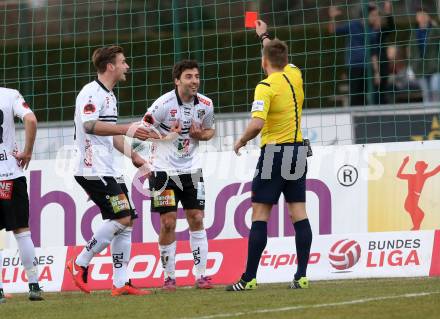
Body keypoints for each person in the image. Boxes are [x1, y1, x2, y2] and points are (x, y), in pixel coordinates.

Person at [226, 20, 312, 291]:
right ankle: (301, 276)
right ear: (285, 60)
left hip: (275, 152)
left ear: (264, 62)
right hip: (298, 151)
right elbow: (276, 54)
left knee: (260, 214)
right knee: (299, 213)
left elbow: (257, 124)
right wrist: (264, 35)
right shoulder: (295, 74)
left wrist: (240, 140)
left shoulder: (265, 86)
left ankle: (249, 278)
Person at [66, 45, 154, 296]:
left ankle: (120, 283)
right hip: (92, 168)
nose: (127, 66)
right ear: (110, 66)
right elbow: (91, 126)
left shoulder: (110, 96)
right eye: (123, 62)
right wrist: (128, 128)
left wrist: (135, 156)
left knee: (128, 221)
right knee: (122, 217)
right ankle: (79, 262)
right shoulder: (91, 93)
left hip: (107, 169)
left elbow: (111, 135)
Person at [143, 59, 215, 291]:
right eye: (189, 77)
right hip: (163, 171)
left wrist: (201, 134)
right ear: (177, 81)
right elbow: (141, 130)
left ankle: (201, 276)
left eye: (196, 76)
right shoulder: (162, 104)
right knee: (168, 223)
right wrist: (166, 137)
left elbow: (210, 130)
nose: (194, 81)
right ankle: (169, 277)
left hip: (191, 170)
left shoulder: (206, 104)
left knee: (197, 218)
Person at [0, 87, 43, 301]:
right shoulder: (10, 94)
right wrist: (27, 151)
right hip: (10, 173)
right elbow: (31, 120)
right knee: (22, 232)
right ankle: (34, 285)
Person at [328, 3, 382, 106]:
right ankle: (355, 119)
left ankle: (368, 118)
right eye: (374, 15)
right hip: (354, 67)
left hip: (368, 68)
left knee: (369, 96)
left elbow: (374, 54)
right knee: (355, 96)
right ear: (366, 15)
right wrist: (332, 17)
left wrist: (376, 72)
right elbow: (332, 30)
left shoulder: (373, 32)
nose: (376, 18)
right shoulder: (352, 25)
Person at [396, 156, 440, 230]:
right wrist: (404, 162)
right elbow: (398, 175)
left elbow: (434, 171)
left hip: (413, 203)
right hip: (410, 202)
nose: (422, 169)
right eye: (421, 167)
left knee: (418, 221)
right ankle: (415, 229)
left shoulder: (424, 176)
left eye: (423, 168)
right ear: (417, 169)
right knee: (419, 217)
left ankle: (415, 229)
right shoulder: (411, 176)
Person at [409, 8, 440, 103]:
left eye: (424, 15)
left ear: (428, 17)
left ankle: (437, 113)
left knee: (435, 90)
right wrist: (412, 66)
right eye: (419, 15)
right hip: (420, 67)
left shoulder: (435, 30)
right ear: (417, 18)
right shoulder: (414, 33)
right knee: (426, 92)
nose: (422, 17)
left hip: (435, 66)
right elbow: (411, 51)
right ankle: (427, 115)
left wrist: (437, 26)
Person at [370, 1, 395, 105]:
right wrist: (376, 71)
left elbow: (391, 27)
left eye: (379, 16)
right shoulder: (367, 33)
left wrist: (388, 12)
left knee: (383, 91)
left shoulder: (381, 32)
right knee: (375, 93)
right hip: (373, 68)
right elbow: (372, 53)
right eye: (375, 16)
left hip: (384, 66)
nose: (378, 18)